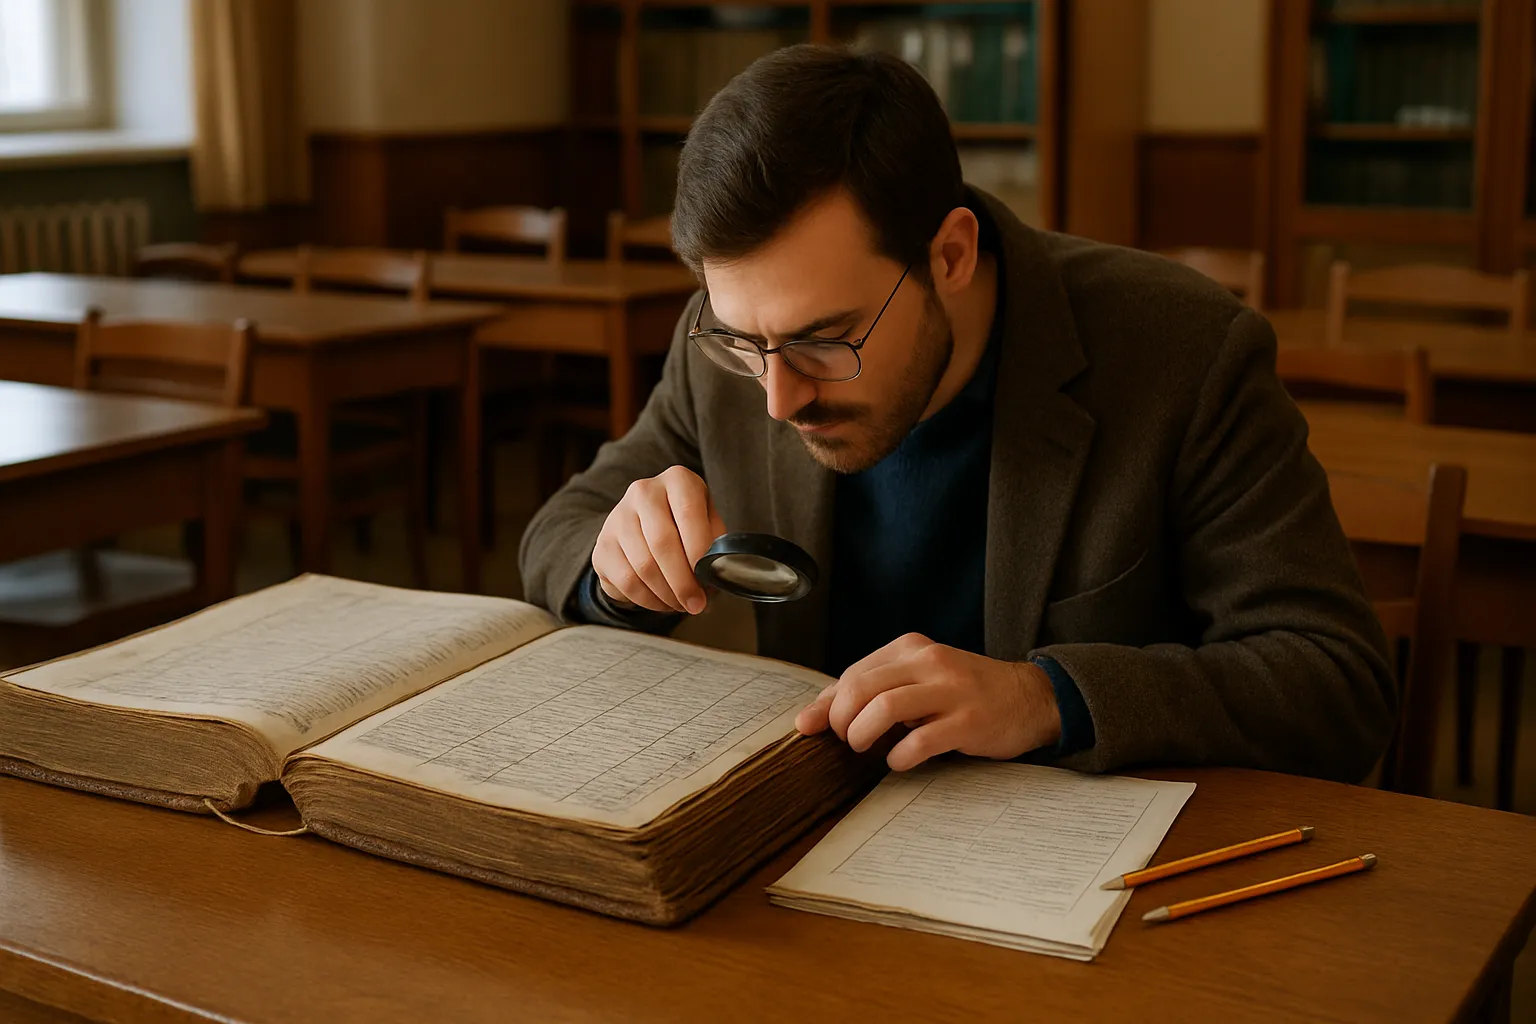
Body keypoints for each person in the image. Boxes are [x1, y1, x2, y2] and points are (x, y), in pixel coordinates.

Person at [520, 45, 1394, 783]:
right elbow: (559, 532)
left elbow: (1337, 682)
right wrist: (617, 566)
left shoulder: (1185, 352)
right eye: (746, 343)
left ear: (950, 254)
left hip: (1074, 875)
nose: (778, 398)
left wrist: (1046, 697)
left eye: (827, 340)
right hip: (817, 835)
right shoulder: (735, 345)